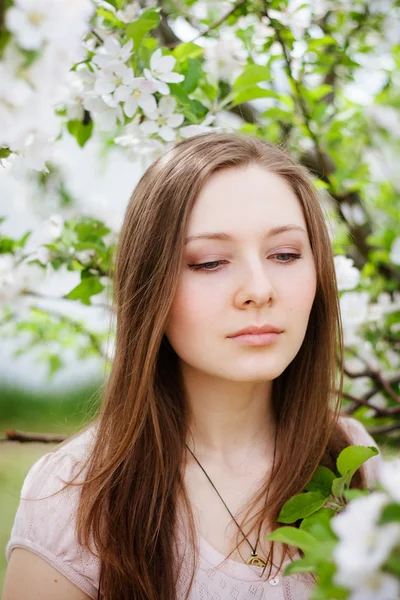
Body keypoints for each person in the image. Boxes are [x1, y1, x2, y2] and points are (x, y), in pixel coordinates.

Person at [3, 132, 381, 600]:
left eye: (285, 254)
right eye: (209, 262)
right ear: (151, 285)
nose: (259, 289)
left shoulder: (355, 464)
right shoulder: (75, 497)